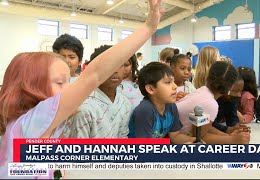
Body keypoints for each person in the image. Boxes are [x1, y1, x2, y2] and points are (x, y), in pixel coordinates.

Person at [0, 0, 164, 178]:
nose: (69, 88)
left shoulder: (27, 126)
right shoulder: (32, 122)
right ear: (32, 85)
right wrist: (149, 27)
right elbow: (94, 75)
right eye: (60, 82)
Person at [64, 45, 131, 138]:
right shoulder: (83, 107)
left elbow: (123, 136)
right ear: (94, 68)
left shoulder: (124, 103)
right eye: (108, 65)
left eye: (119, 64)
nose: (115, 70)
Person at [177, 61, 250, 144]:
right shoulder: (210, 103)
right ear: (230, 87)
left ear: (208, 76)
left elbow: (204, 127)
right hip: (166, 140)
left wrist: (228, 136)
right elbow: (199, 138)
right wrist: (232, 140)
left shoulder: (203, 91)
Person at [131, 62, 195, 143]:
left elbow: (175, 136)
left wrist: (196, 141)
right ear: (150, 89)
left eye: (173, 81)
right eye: (168, 82)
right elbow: (144, 148)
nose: (175, 86)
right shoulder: (145, 110)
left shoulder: (171, 106)